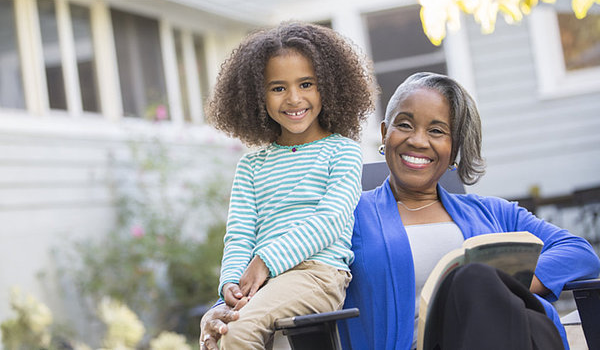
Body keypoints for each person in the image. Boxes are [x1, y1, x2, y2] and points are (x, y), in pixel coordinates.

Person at [200, 72, 600, 350]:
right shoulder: (345, 216)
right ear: (385, 134)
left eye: (437, 131)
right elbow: (291, 269)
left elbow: (579, 252)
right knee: (474, 279)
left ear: (455, 148)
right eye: (405, 125)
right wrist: (224, 307)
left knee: (479, 282)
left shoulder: (494, 213)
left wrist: (505, 288)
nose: (418, 141)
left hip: (517, 340)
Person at [203, 21, 376, 349]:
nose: (294, 98)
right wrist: (230, 285)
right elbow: (240, 234)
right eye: (278, 88)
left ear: (328, 86)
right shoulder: (252, 166)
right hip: (265, 281)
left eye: (306, 84)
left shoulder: (342, 152)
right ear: (257, 96)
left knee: (237, 331)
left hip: (317, 275)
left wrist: (267, 260)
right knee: (216, 333)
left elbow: (329, 220)